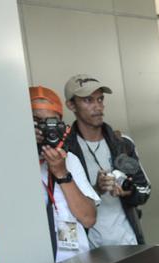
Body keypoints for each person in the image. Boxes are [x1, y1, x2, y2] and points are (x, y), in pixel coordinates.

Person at [61, 74, 150, 247]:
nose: (97, 106)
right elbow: (60, 202)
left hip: (128, 242)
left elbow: (144, 191)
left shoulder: (122, 143)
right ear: (71, 105)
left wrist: (128, 192)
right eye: (88, 100)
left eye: (100, 99)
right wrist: (96, 190)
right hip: (85, 247)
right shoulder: (65, 149)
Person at [31, 86, 99, 262]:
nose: (45, 129)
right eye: (36, 121)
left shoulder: (69, 160)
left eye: (50, 122)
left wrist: (61, 173)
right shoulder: (5, 163)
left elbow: (88, 218)